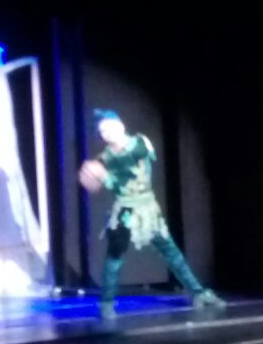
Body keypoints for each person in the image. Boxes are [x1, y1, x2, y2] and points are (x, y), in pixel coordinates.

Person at [79, 108, 225, 312]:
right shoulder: (106, 157)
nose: (106, 134)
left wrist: (102, 174)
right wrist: (95, 178)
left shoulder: (139, 144)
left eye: (109, 128)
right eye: (102, 131)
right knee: (115, 256)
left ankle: (198, 292)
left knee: (171, 252)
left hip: (147, 210)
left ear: (120, 125)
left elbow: (129, 169)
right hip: (125, 211)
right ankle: (106, 302)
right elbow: (108, 184)